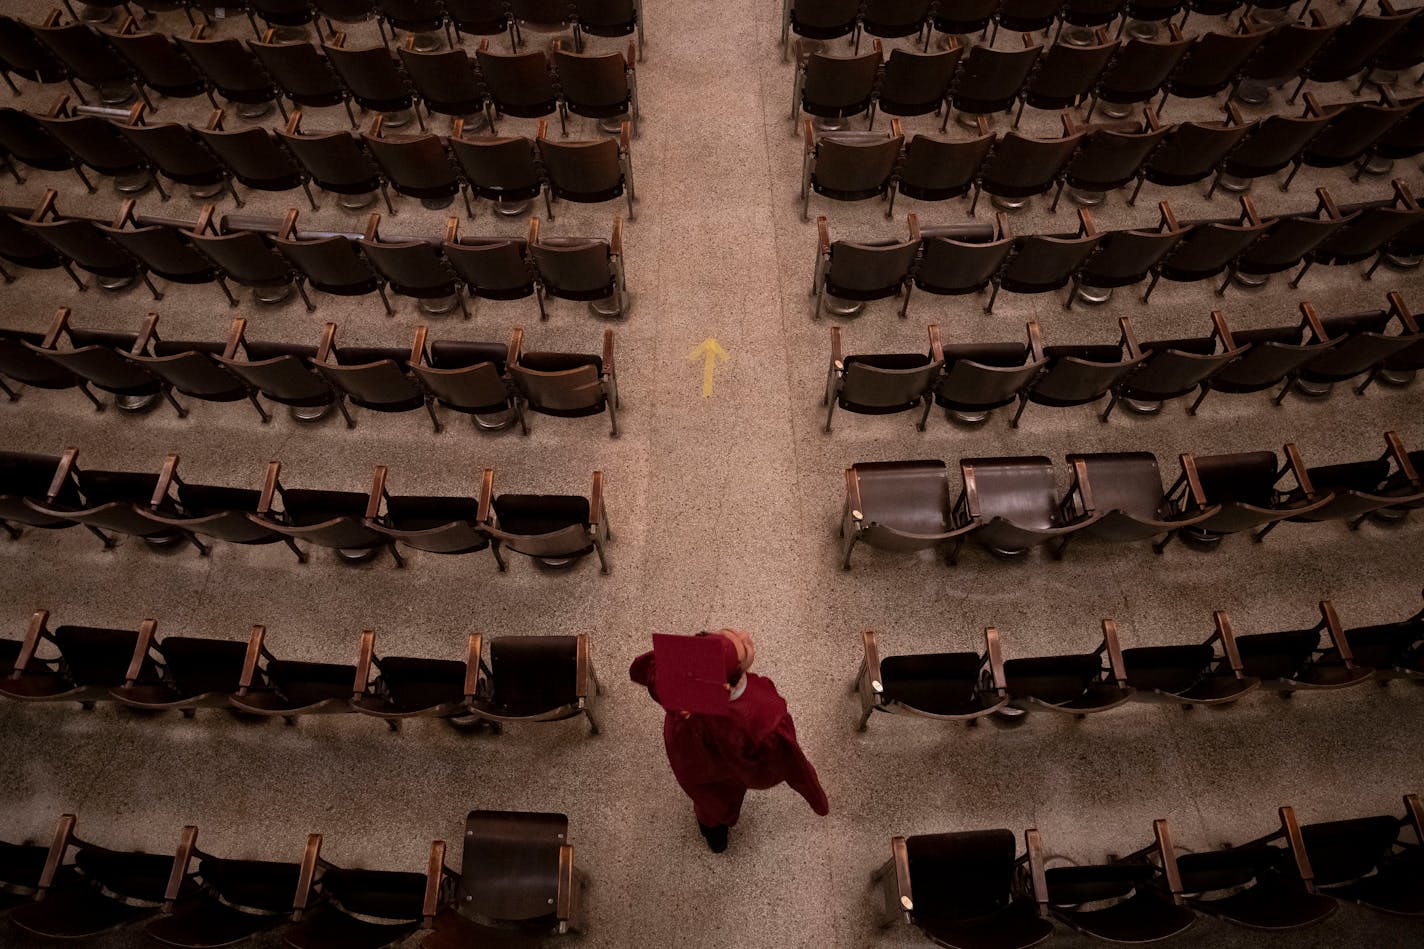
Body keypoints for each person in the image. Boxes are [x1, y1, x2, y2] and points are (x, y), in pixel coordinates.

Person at [629, 628, 830, 853]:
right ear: (731, 682)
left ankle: (713, 835)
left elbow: (649, 669)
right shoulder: (762, 714)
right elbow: (788, 763)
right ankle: (717, 836)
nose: (745, 635)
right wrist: (816, 799)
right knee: (722, 803)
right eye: (744, 648)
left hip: (686, 759)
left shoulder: (677, 681)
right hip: (725, 771)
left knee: (705, 801)